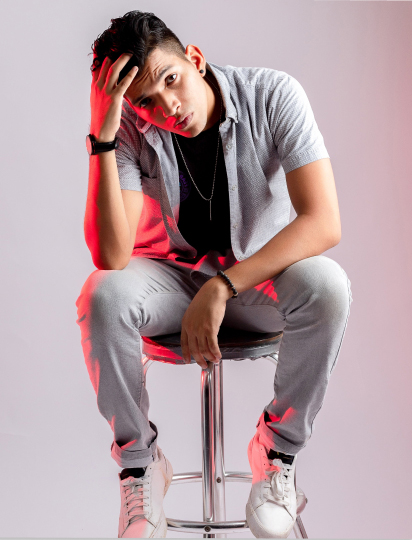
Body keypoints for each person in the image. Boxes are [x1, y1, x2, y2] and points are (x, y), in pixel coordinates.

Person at [76, 9, 353, 539]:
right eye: (145, 101)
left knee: (328, 287)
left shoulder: (271, 95)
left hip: (257, 280)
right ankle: (140, 466)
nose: (167, 108)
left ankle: (276, 455)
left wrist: (224, 287)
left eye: (171, 80)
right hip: (172, 282)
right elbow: (111, 255)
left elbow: (323, 221)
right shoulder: (131, 127)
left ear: (195, 59)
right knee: (101, 295)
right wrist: (103, 135)